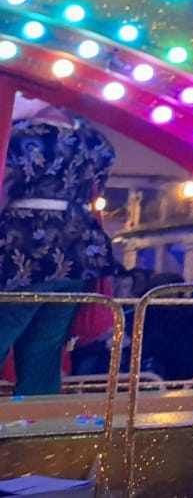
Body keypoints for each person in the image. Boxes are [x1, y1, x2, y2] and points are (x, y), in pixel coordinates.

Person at [0, 100, 116, 395]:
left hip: (23, 249)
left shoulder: (17, 135)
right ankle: (35, 427)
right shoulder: (97, 142)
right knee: (45, 350)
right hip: (78, 250)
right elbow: (95, 190)